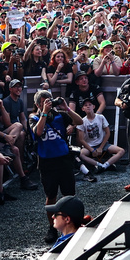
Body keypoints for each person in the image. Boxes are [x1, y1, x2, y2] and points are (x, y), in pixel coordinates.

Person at [32, 91, 83, 244]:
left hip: (64, 160)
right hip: (47, 162)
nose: (47, 104)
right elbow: (38, 132)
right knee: (51, 196)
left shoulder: (60, 115)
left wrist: (66, 108)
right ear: (37, 105)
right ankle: (52, 227)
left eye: (48, 101)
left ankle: (71, 226)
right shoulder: (34, 118)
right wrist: (44, 113)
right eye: (43, 102)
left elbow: (79, 121)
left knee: (69, 195)